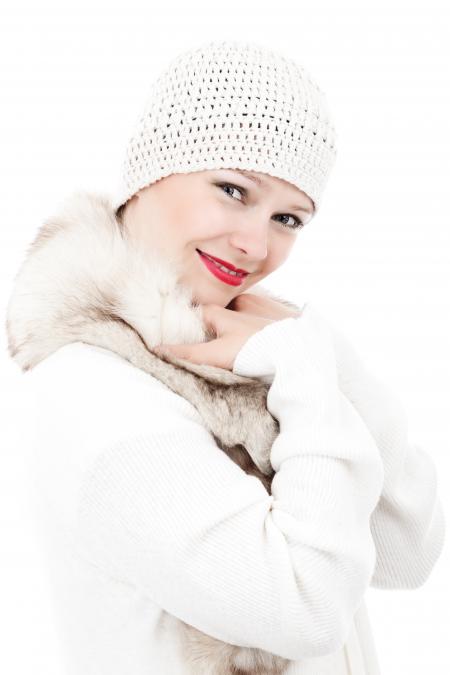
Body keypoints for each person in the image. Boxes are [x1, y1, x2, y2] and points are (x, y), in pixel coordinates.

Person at [5, 39, 445, 675]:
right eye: (234, 189)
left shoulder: (254, 355)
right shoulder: (97, 395)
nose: (254, 245)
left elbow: (408, 549)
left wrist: (315, 348)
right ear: (150, 170)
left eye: (289, 219)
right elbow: (308, 611)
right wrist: (304, 372)